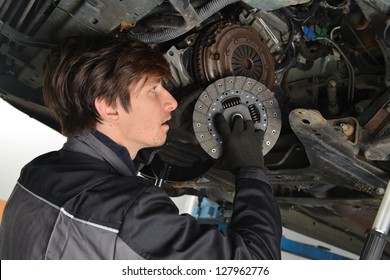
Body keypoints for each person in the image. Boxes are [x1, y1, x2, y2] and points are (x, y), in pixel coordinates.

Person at [0, 35, 282, 259]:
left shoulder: (37, 173)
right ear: (109, 108)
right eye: (154, 89)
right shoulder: (131, 212)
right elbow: (258, 261)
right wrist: (250, 168)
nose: (171, 102)